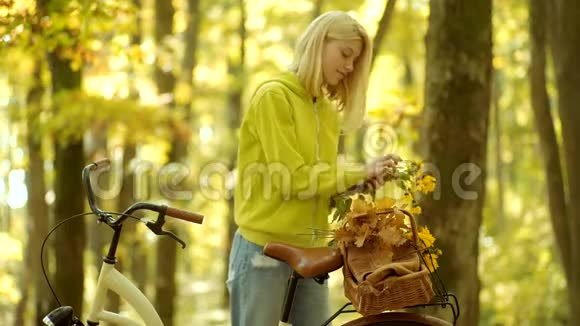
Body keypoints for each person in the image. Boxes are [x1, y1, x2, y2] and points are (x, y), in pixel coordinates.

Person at [227, 11, 397, 326]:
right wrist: (357, 171)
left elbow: (318, 185)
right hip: (263, 251)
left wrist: (355, 186)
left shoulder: (327, 112)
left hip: (311, 253)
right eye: (345, 54)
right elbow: (292, 179)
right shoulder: (274, 97)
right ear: (319, 43)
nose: (349, 66)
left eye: (354, 60)